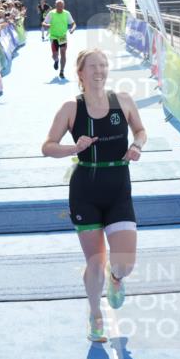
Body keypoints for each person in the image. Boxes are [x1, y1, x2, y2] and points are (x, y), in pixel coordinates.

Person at [41, 49, 147, 342]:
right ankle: (95, 315)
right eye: (93, 66)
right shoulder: (70, 108)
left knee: (124, 263)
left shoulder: (123, 100)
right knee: (95, 264)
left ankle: (117, 279)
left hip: (118, 189)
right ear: (81, 73)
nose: (99, 71)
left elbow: (140, 130)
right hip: (85, 191)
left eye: (103, 65)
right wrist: (73, 148)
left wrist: (137, 145)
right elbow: (47, 146)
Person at [44, 0, 75, 79]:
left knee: (63, 52)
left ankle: (62, 71)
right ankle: (56, 60)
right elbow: (44, 22)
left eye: (61, 6)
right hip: (53, 36)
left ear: (63, 6)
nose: (60, 7)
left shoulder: (67, 13)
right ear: (55, 6)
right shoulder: (51, 13)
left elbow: (73, 23)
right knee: (54, 55)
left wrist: (72, 29)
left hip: (62, 36)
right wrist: (46, 25)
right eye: (58, 6)